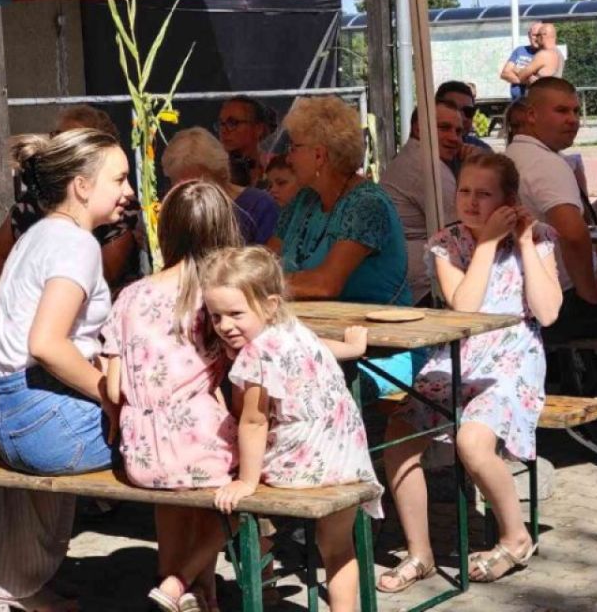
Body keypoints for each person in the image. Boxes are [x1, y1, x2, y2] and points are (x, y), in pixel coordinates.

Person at [379, 154, 561, 592]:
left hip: (512, 357)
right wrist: (485, 245)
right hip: (459, 355)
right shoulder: (447, 243)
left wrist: (522, 243)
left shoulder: (539, 239)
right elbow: (464, 308)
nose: (471, 202)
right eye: (464, 191)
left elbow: (548, 313)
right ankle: (420, 552)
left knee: (472, 442)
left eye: (484, 194)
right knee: (398, 438)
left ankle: (515, 537)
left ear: (508, 200)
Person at [0, 127, 133, 611]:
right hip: (43, 421)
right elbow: (47, 344)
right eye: (119, 179)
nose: (128, 192)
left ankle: (20, 586)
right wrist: (107, 392)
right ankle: (187, 581)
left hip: (8, 415)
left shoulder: (35, 235)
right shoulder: (77, 245)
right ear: (82, 186)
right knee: (181, 432)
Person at [203, 246, 381, 612]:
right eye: (216, 316)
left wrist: (246, 482)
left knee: (235, 497)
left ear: (269, 306)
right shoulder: (291, 328)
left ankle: (256, 583)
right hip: (347, 455)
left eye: (235, 314)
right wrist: (352, 348)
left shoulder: (257, 352)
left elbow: (254, 420)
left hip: (303, 464)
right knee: (338, 547)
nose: (224, 326)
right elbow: (319, 348)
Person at [102, 180, 241, 612]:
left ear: (167, 232)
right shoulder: (220, 298)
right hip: (198, 443)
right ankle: (186, 583)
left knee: (175, 493)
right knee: (243, 489)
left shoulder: (130, 295)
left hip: (142, 453)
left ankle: (189, 586)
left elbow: (113, 386)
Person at [505, 78, 597, 461]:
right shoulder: (545, 163)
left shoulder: (512, 156)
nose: (573, 119)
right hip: (554, 304)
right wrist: (590, 289)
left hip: (520, 300)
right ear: (530, 115)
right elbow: (574, 234)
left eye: (575, 111)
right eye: (561, 110)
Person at [270, 96, 414, 400]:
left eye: (294, 147)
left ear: (319, 155)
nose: (288, 157)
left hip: (378, 351)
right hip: (316, 342)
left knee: (292, 388)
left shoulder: (366, 204)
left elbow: (326, 284)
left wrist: (260, 285)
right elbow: (265, 260)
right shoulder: (303, 200)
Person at [0, 105, 142, 293]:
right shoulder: (32, 204)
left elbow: (103, 277)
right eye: (57, 135)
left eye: (69, 140)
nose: (128, 191)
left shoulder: (119, 208)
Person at [381, 100, 464, 305]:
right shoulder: (427, 166)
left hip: (403, 280)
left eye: (459, 131)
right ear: (420, 128)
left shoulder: (416, 157)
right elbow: (461, 231)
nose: (454, 138)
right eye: (444, 128)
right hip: (421, 288)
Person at [162, 126, 279, 245]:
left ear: (218, 173)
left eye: (197, 184)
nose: (191, 193)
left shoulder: (259, 207)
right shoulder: (176, 215)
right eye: (180, 186)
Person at [214, 95, 278, 187]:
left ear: (258, 129)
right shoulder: (210, 169)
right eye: (221, 124)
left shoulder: (278, 166)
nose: (223, 130)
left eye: (232, 123)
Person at [435, 81, 492, 153]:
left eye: (468, 111)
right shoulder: (423, 152)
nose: (461, 117)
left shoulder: (481, 149)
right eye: (453, 109)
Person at [499, 22, 543, 100]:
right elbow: (504, 74)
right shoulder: (519, 50)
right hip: (516, 102)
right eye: (534, 35)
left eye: (539, 35)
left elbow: (539, 82)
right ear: (529, 35)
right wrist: (526, 79)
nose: (536, 38)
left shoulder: (546, 55)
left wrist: (516, 70)